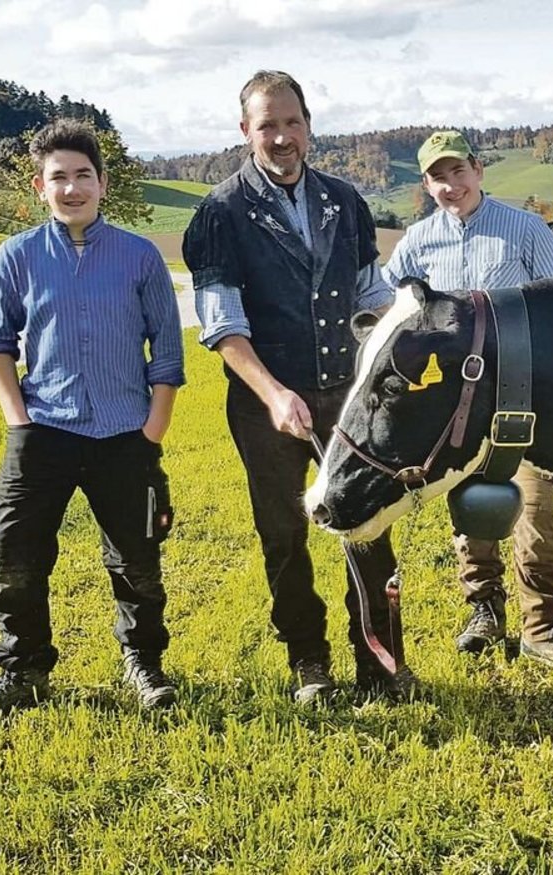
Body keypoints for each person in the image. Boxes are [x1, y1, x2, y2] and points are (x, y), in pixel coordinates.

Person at [182, 70, 409, 704]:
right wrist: (273, 392)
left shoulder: (345, 199)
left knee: (368, 527)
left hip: (350, 397)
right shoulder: (220, 213)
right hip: (265, 404)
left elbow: (371, 296)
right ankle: (309, 661)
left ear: (308, 124)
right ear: (245, 131)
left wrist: (388, 354)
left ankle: (383, 663)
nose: (281, 137)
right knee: (284, 534)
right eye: (267, 126)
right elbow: (224, 327)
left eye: (291, 123)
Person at [0, 119, 184, 716]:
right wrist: (18, 422)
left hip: (124, 435)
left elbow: (167, 349)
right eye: (59, 177)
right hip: (43, 433)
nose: (72, 187)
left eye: (83, 175)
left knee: (137, 561)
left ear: (102, 183)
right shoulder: (17, 256)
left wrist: (150, 433)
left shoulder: (138, 258)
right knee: (14, 556)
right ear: (40, 185)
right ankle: (24, 670)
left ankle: (144, 663)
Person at [382, 130, 553, 672]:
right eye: (437, 176)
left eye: (458, 172)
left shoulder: (524, 230)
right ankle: (483, 611)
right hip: (455, 411)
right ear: (426, 184)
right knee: (471, 510)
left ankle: (544, 628)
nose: (450, 186)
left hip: (522, 401)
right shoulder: (415, 244)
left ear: (479, 170)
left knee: (533, 511)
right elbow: (393, 318)